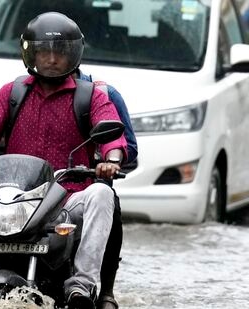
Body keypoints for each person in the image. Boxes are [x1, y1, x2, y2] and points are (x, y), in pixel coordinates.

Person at [0, 12, 128, 309]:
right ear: (31, 53)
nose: (52, 59)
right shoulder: (12, 92)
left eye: (59, 52)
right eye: (44, 52)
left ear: (74, 54)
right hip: (14, 198)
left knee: (103, 193)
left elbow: (111, 134)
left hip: (67, 200)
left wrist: (112, 160)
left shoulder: (91, 96)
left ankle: (81, 286)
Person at [75, 68, 138, 309]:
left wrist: (108, 161)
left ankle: (107, 291)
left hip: (91, 183)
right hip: (44, 185)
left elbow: (129, 147)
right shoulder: (25, 92)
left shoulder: (105, 95)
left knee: (110, 205)